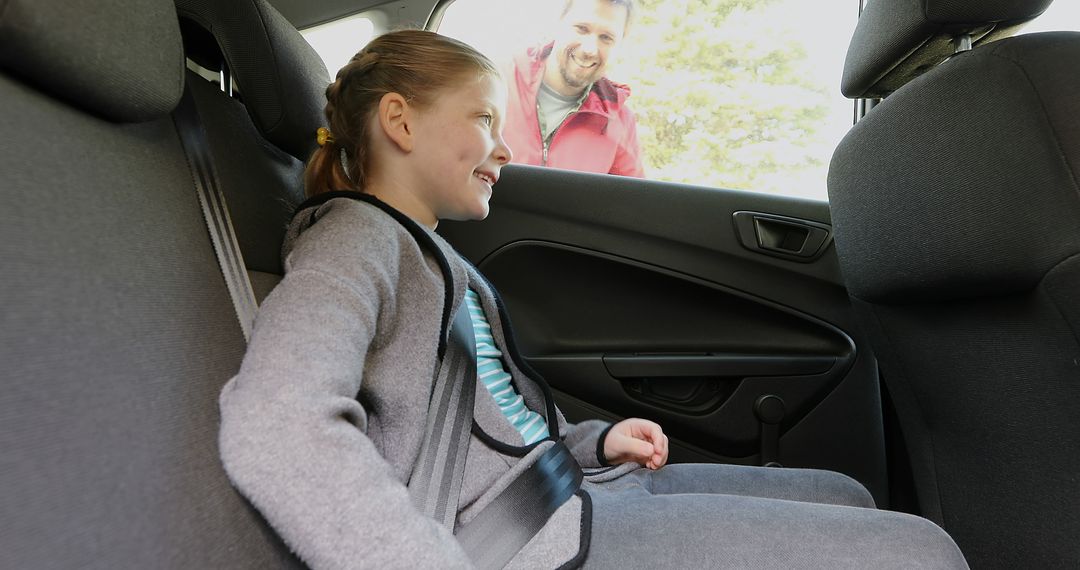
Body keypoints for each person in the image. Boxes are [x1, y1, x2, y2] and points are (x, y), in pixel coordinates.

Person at [218, 30, 968, 569]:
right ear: (399, 119)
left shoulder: (434, 256)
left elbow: (495, 422)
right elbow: (279, 423)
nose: (505, 149)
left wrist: (592, 444)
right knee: (924, 552)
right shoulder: (354, 240)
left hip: (564, 490)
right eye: (484, 119)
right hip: (516, 541)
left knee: (846, 493)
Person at [502, 0, 644, 177]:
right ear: (557, 24)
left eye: (606, 38)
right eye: (582, 28)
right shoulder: (497, 82)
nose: (590, 49)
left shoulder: (620, 121)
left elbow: (630, 201)